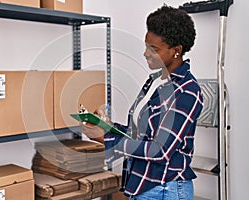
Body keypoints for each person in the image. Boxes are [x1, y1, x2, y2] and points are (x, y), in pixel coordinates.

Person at [81, 5, 203, 200]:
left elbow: (159, 150)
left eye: (153, 49)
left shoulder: (187, 91)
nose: (146, 53)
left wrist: (105, 139)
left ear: (176, 51)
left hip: (166, 189)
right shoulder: (155, 82)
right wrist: (108, 127)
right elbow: (139, 134)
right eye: (146, 46)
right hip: (143, 184)